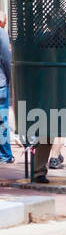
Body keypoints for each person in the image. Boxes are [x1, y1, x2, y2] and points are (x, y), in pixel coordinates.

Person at [0, 13, 13, 163]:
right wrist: (10, 79)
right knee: (2, 120)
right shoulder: (1, 33)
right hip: (1, 83)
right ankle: (5, 155)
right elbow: (6, 58)